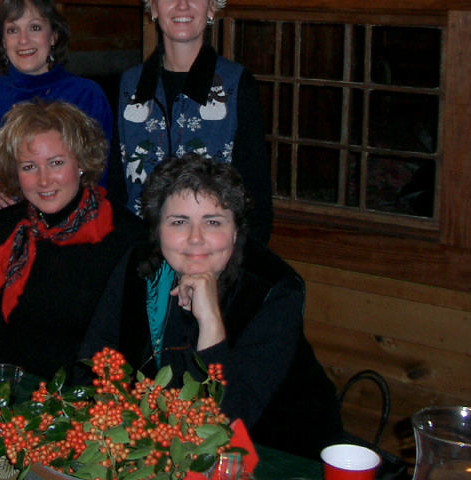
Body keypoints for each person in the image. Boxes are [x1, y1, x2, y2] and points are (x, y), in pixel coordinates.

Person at [82, 154, 341, 459]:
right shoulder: (139, 267)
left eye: (213, 222)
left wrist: (210, 322)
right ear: (157, 229)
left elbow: (225, 421)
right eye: (179, 222)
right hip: (163, 447)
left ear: (236, 230)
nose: (196, 239)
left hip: (281, 452)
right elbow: (94, 362)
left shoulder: (273, 290)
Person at [109, 0, 273, 244]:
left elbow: (256, 199)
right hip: (141, 255)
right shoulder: (128, 86)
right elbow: (116, 191)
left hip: (211, 255)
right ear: (153, 5)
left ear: (211, 5)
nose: (182, 5)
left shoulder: (236, 84)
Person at [0, 100, 136, 379]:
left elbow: (128, 347)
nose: (43, 180)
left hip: (90, 395)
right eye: (29, 166)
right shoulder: (4, 228)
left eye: (56, 163)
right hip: (13, 387)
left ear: (81, 163)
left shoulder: (124, 236)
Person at [0, 0, 113, 210]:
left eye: (35, 27)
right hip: (1, 216)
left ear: (53, 36)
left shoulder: (86, 94)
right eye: (12, 30)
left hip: (71, 216)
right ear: (3, 41)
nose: (23, 40)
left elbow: (101, 172)